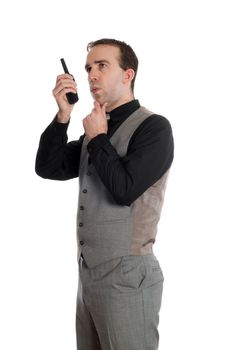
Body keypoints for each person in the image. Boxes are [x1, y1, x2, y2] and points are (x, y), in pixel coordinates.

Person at [35, 38, 174, 350]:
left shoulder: (155, 129)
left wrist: (97, 138)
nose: (91, 75)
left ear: (128, 74)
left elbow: (124, 190)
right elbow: (48, 167)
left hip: (129, 279)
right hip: (89, 278)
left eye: (102, 66)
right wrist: (63, 116)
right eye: (88, 68)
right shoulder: (96, 128)